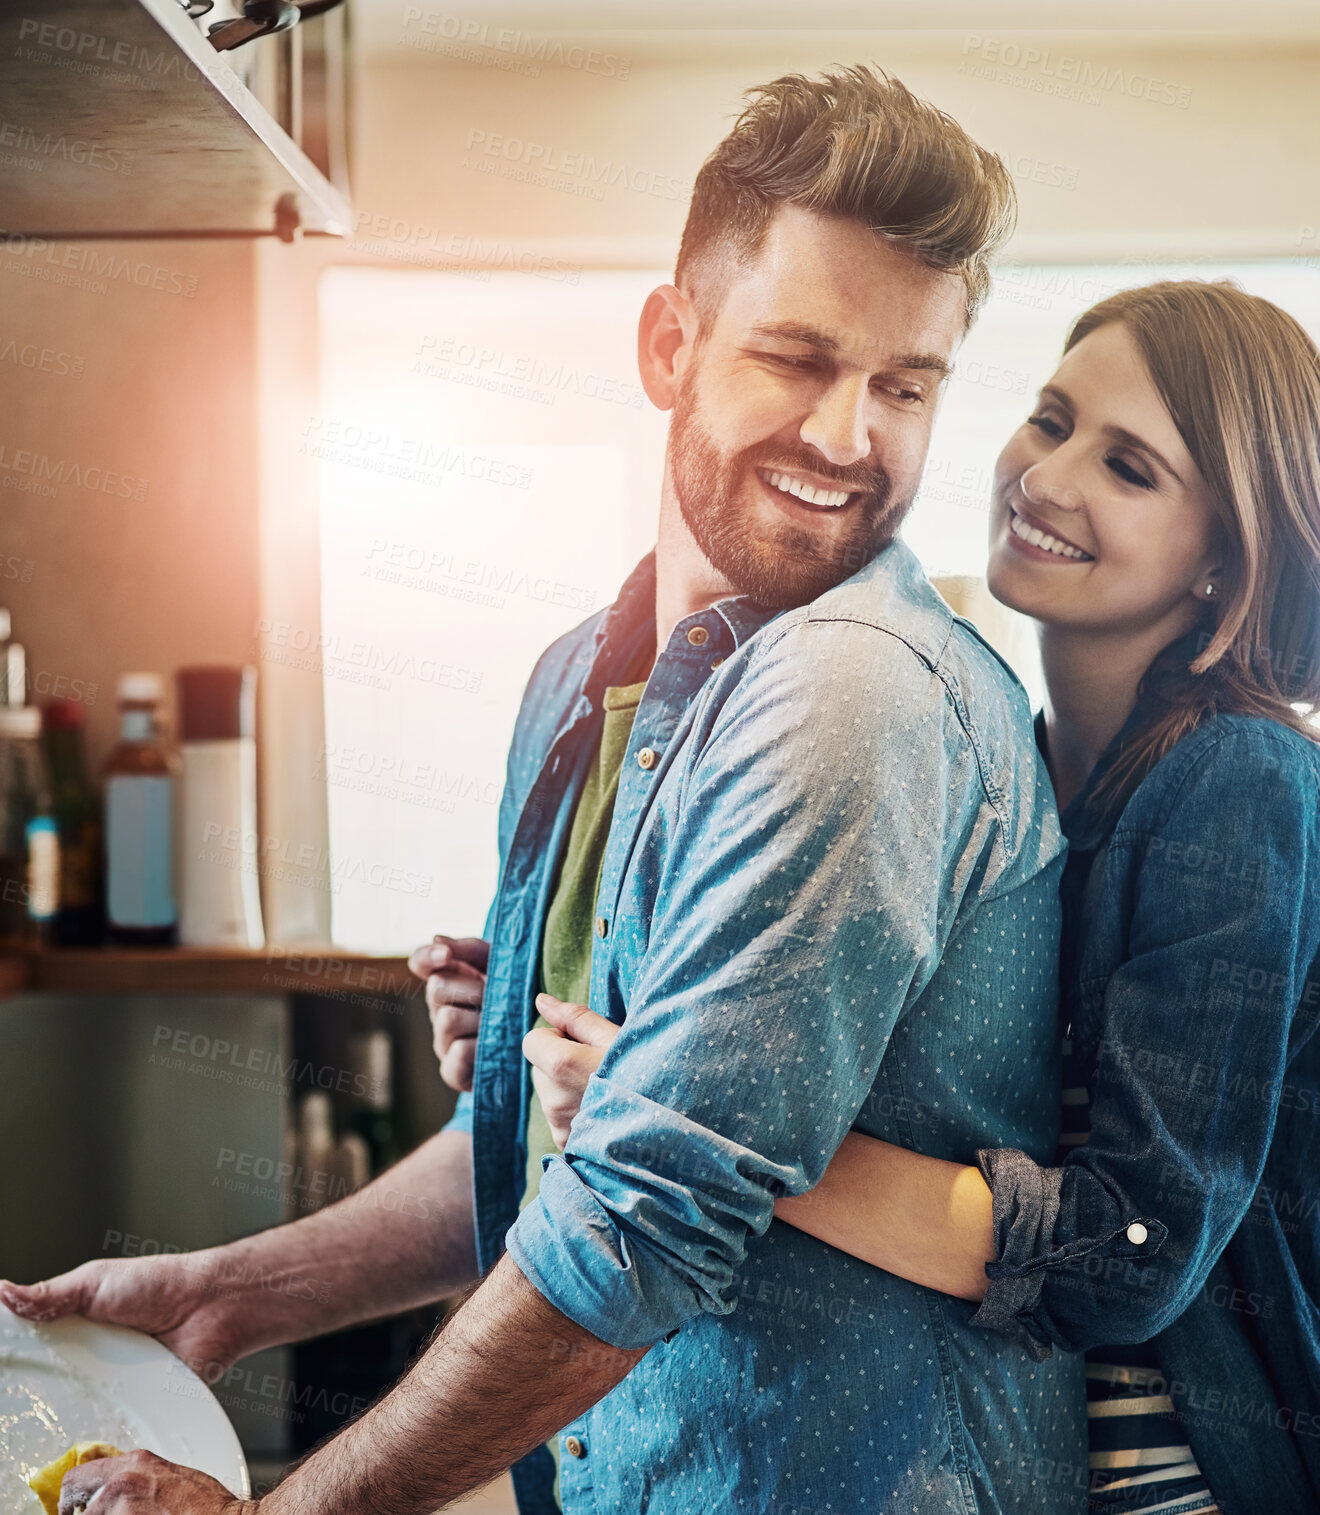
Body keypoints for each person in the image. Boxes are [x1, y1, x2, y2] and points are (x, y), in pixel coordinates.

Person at [0, 67, 1085, 1514]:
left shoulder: (857, 694)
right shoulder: (583, 679)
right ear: (669, 343)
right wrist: (228, 1294)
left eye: (906, 383)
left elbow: (643, 1213)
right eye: (798, 357)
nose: (848, 437)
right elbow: (537, 1146)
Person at [524, 280, 1320, 1515]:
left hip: (1183, 1482)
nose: (1048, 479)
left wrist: (690, 1121)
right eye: (1052, 420)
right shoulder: (1038, 760)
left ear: (1226, 556)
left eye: (1130, 468)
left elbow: (1127, 1256)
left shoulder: (1241, 779)